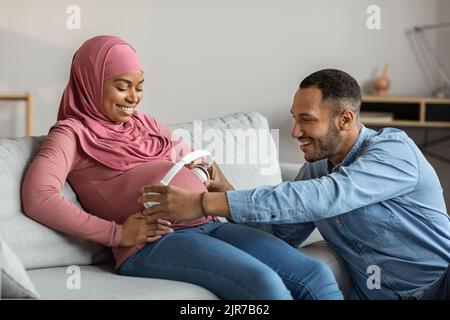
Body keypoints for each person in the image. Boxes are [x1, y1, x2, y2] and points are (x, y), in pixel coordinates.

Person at [21, 36, 343, 300]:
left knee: (313, 274)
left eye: (140, 86)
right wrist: (116, 233)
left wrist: (213, 177)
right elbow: (39, 197)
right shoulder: (70, 134)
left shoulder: (144, 123)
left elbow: (195, 158)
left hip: (209, 223)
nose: (134, 98)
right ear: (91, 82)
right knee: (263, 283)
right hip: (155, 242)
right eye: (123, 86)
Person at [141, 69, 450, 300]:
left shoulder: (394, 151)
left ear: (345, 119)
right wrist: (227, 192)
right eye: (294, 118)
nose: (295, 131)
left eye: (307, 119)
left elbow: (328, 196)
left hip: (439, 285)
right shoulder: (316, 168)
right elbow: (281, 236)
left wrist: (202, 204)